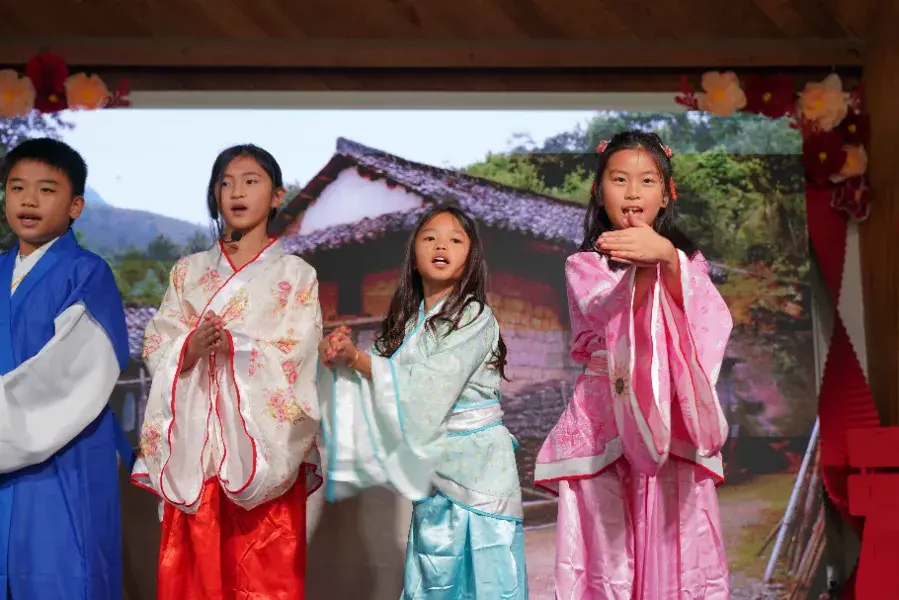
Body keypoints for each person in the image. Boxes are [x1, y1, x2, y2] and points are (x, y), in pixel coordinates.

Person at [534, 131, 733, 599]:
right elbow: (606, 312)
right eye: (619, 179)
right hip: (606, 415)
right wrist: (648, 267)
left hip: (672, 412)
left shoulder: (688, 264)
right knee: (607, 554)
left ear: (666, 194)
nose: (632, 192)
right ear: (598, 190)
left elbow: (709, 321)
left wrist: (668, 260)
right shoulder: (584, 264)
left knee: (678, 542)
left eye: (647, 181)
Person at [131, 144, 323, 600]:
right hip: (198, 450)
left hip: (261, 447)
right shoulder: (188, 272)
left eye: (251, 181)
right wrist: (189, 349)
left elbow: (297, 351)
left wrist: (237, 349)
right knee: (194, 577)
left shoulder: (298, 275)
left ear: (277, 196)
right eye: (225, 183)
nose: (236, 192)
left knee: (264, 575)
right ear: (214, 194)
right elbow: (157, 343)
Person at [318, 205, 527, 599]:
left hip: (478, 472)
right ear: (413, 257)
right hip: (432, 474)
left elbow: (431, 387)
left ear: (470, 259)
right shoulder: (405, 325)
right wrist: (339, 356)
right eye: (429, 237)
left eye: (455, 239)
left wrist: (359, 360)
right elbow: (372, 381)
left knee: (486, 579)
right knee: (433, 577)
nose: (440, 245)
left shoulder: (474, 316)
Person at [0, 138, 132, 600]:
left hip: (64, 454)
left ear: (76, 206)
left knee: (63, 573)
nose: (29, 200)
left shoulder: (87, 273)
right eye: (17, 187)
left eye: (47, 189)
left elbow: (73, 372)